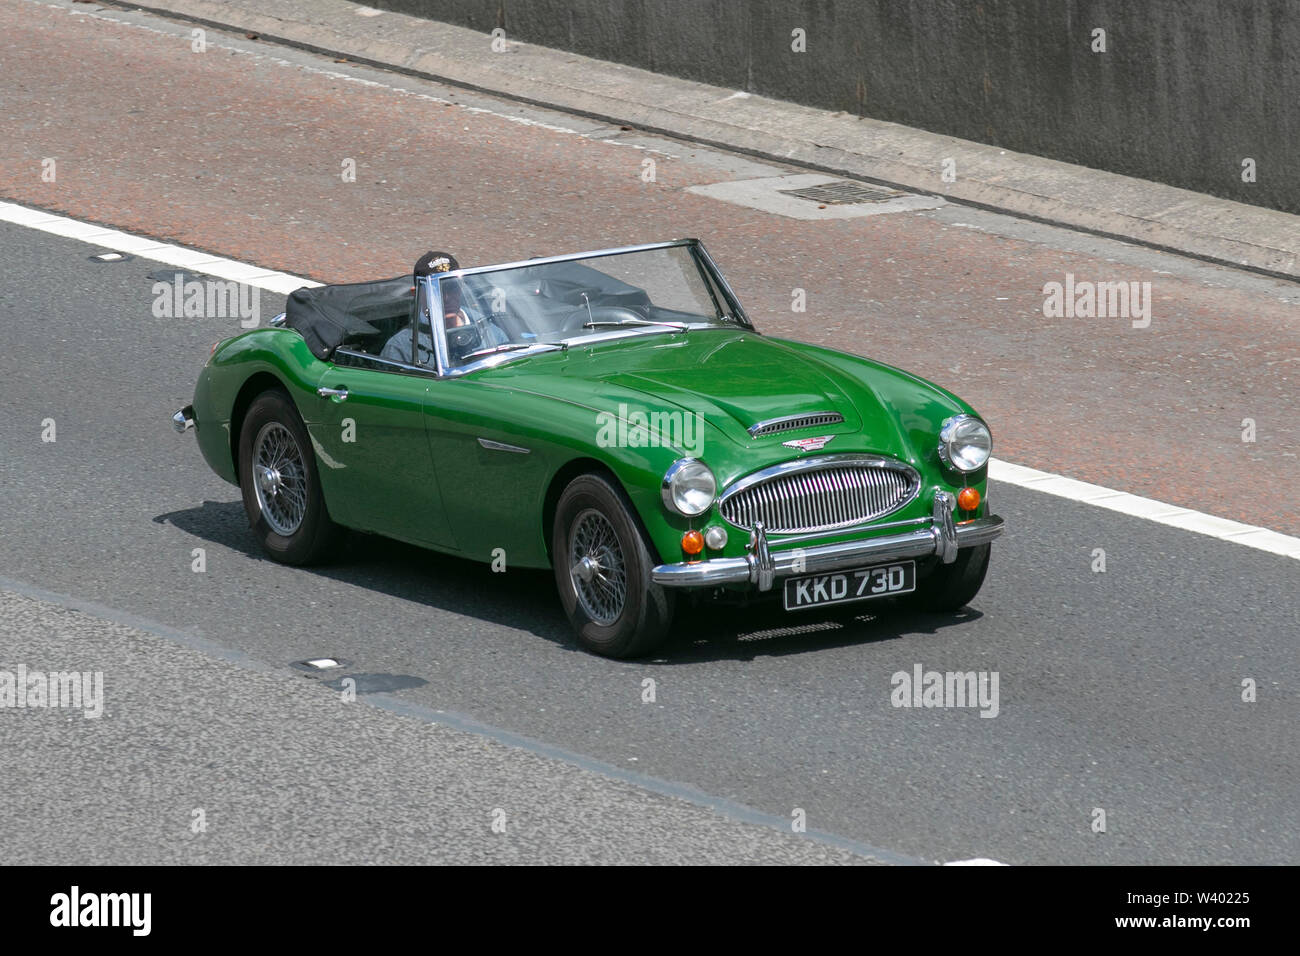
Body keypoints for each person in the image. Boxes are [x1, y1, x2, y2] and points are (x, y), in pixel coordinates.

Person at [379, 251, 507, 365]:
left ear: (461, 287)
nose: (446, 297)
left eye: (452, 287)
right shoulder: (400, 348)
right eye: (436, 290)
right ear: (416, 294)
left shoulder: (491, 333)